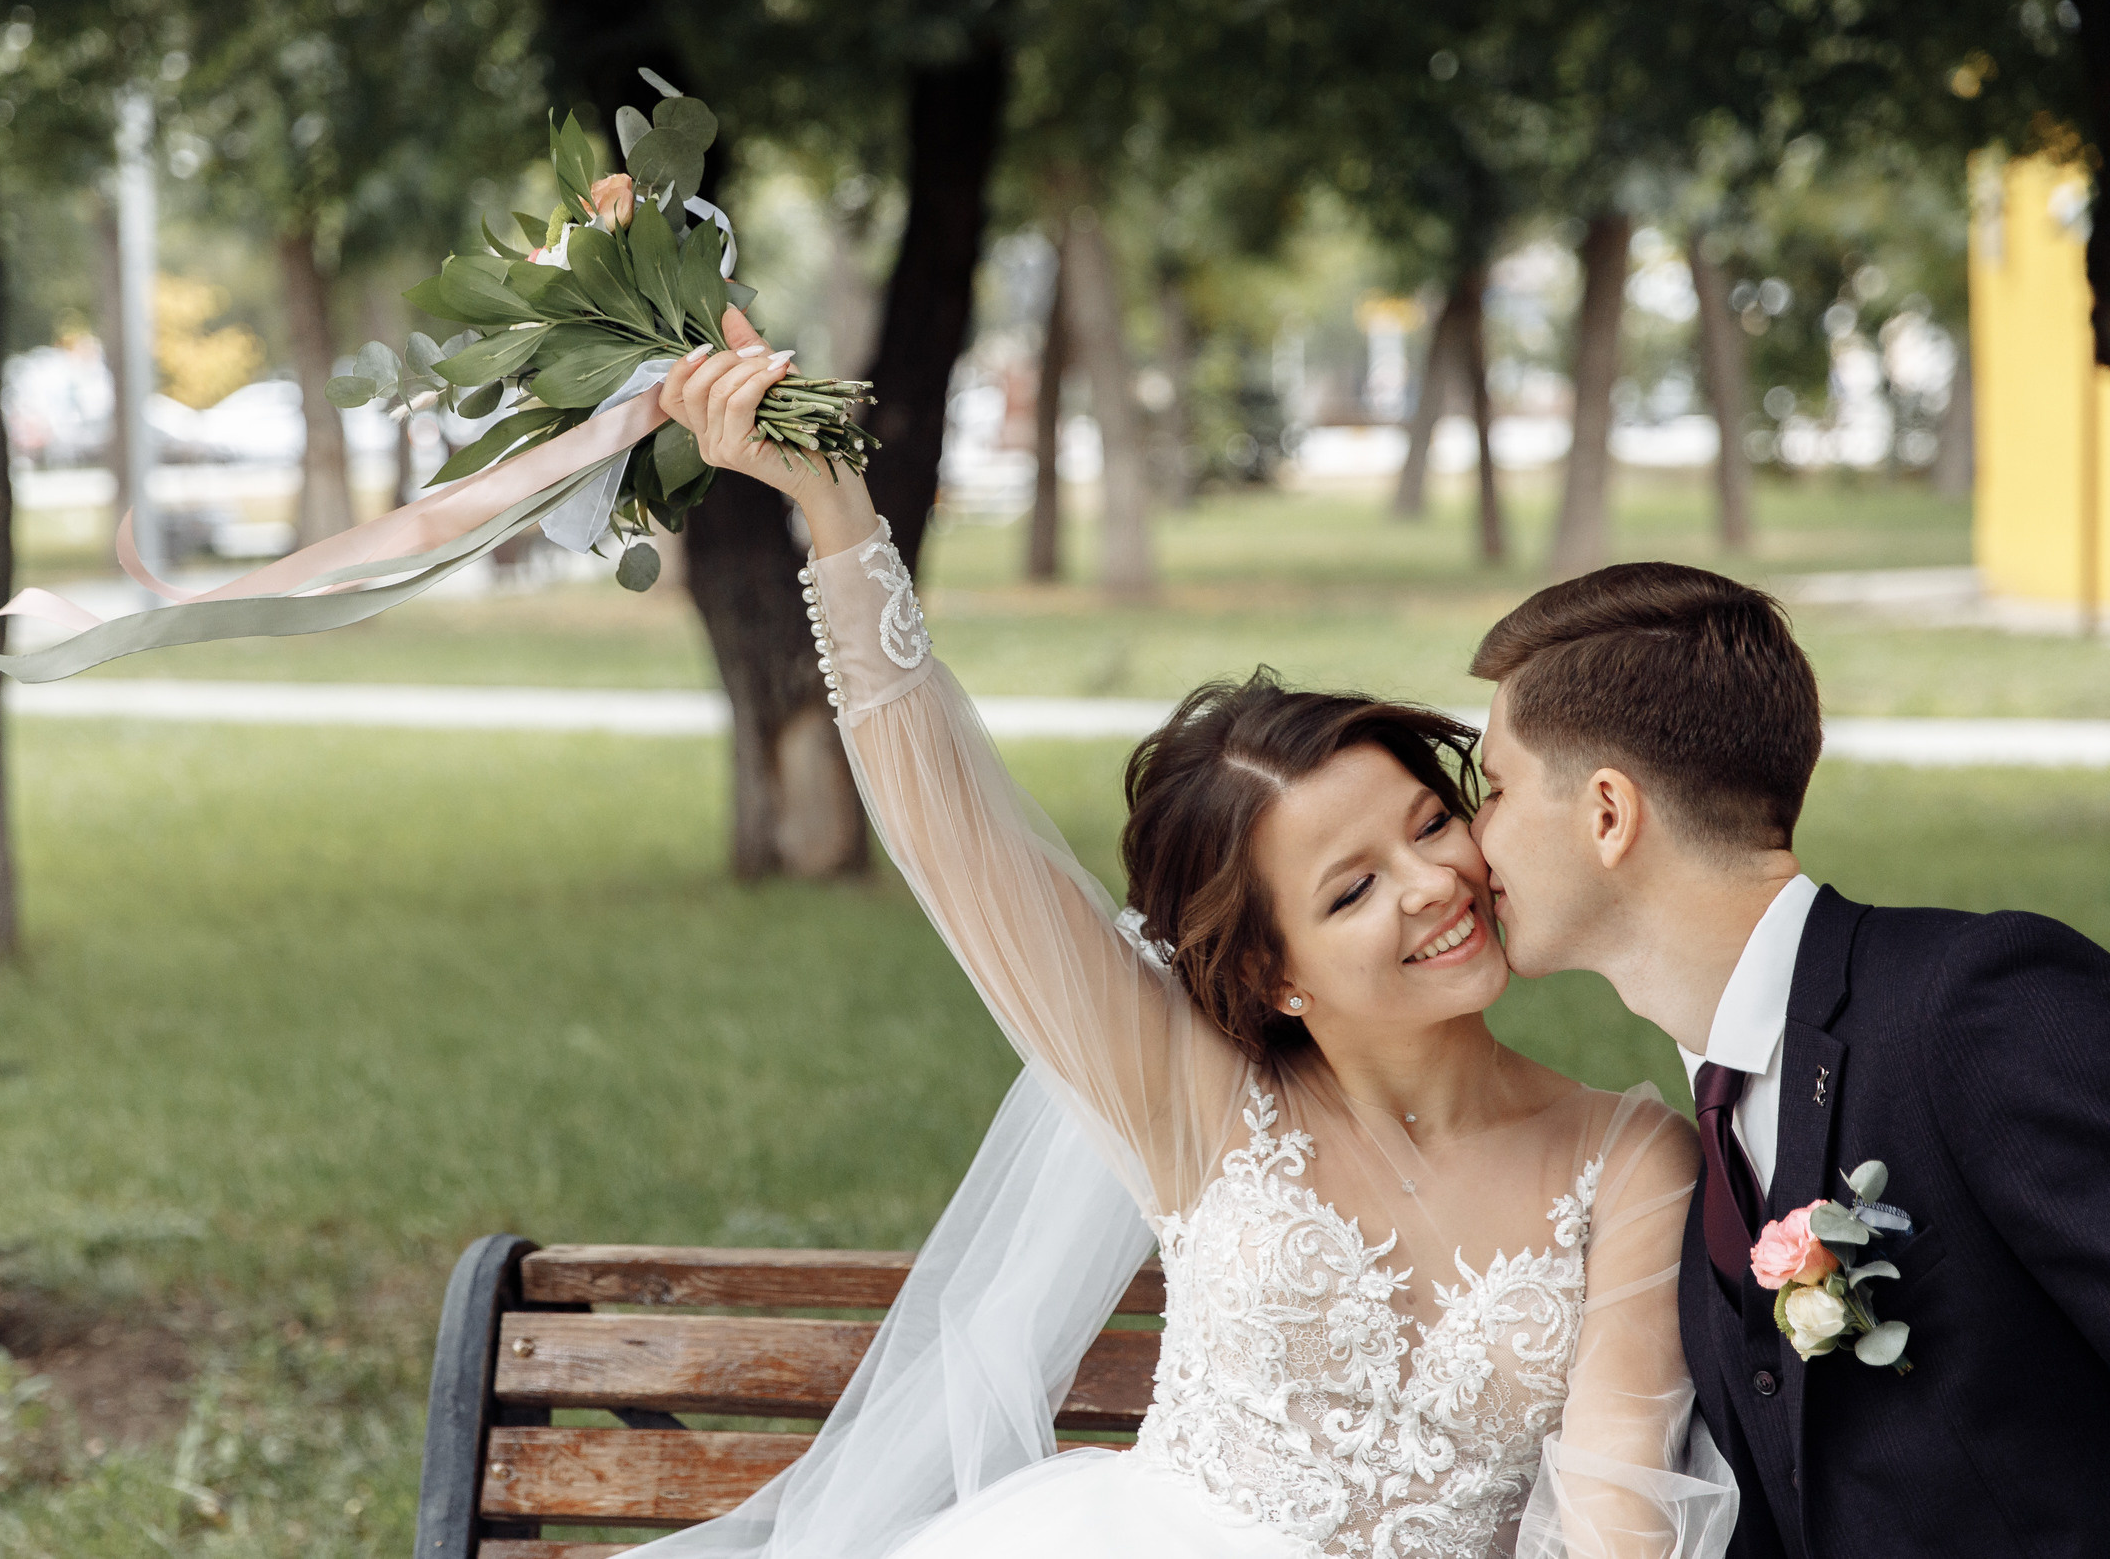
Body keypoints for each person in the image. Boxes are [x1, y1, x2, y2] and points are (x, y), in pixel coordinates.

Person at [652, 313, 1734, 1559]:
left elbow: (1617, 1519)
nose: (1433, 883)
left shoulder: (1630, 1159)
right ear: (1272, 973)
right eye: (1350, 891)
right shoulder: (1193, 1099)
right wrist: (838, 516)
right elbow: (961, 844)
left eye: (1431, 822)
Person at [1465, 566, 2110, 1559]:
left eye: (1494, 789)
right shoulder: (1700, 1137)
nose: (1474, 841)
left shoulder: (1970, 1002)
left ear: (1606, 814)